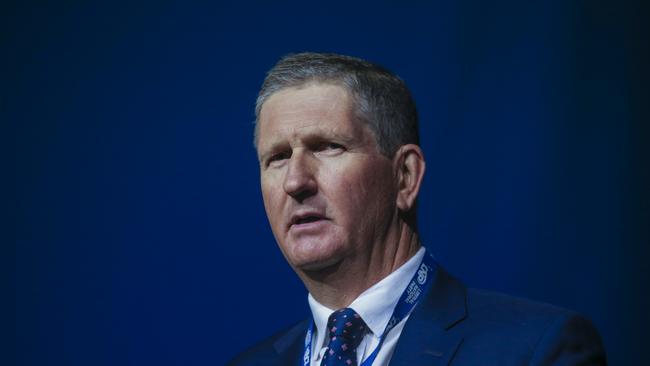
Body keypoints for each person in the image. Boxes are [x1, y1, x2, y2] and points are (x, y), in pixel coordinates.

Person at [229, 52, 606, 366]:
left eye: (328, 147)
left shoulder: (536, 349)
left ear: (405, 177)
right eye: (277, 157)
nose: (295, 181)